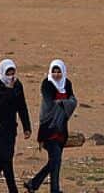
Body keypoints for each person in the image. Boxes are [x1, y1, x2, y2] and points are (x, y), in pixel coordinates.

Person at [27, 60, 76, 193]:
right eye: (54, 71)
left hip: (61, 128)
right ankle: (46, 187)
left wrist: (62, 103)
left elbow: (73, 101)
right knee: (55, 159)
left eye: (59, 71)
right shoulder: (47, 84)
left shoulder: (67, 83)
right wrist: (64, 103)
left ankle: (38, 185)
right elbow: (50, 103)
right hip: (48, 128)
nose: (56, 74)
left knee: (55, 161)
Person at [0, 59, 31, 193]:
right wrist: (9, 90)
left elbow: (22, 106)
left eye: (12, 73)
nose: (10, 76)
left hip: (10, 127)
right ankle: (12, 189)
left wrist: (26, 127)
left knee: (3, 159)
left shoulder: (17, 85)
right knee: (4, 159)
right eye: (8, 73)